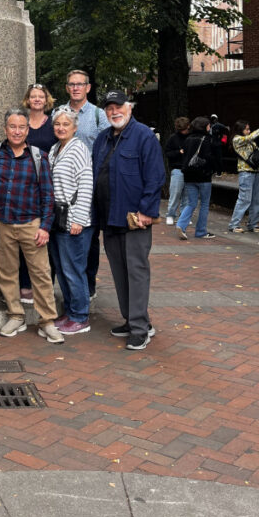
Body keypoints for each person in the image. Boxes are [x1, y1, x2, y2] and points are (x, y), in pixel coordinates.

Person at [92, 90, 165, 352]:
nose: (114, 111)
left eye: (118, 106)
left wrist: (147, 210)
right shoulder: (102, 139)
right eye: (109, 108)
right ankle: (133, 319)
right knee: (119, 272)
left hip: (135, 218)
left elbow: (155, 176)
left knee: (135, 271)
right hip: (109, 217)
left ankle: (139, 328)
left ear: (129, 108)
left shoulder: (143, 135)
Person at [0, 107, 63, 343]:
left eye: (22, 127)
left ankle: (47, 321)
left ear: (28, 129)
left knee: (40, 274)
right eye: (13, 126)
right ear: (5, 128)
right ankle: (16, 315)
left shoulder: (38, 156)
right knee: (7, 272)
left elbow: (47, 194)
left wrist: (45, 226)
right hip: (3, 224)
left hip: (32, 224)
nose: (17, 131)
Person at [47, 108, 93, 335]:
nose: (61, 127)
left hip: (74, 220)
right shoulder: (55, 149)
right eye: (57, 124)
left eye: (66, 124)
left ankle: (80, 317)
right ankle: (70, 311)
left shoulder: (79, 148)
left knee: (74, 270)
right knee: (63, 270)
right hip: (58, 220)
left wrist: (79, 219)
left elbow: (86, 184)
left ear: (75, 127)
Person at [63, 69, 107, 300]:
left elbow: (106, 150)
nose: (76, 88)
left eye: (80, 84)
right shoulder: (59, 113)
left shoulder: (99, 116)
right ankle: (70, 284)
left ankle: (88, 284)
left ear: (88, 87)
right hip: (64, 188)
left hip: (90, 188)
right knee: (64, 234)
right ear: (67, 87)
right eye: (72, 84)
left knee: (90, 240)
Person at [16, 83, 56, 304]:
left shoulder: (52, 124)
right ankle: (24, 285)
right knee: (24, 241)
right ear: (28, 100)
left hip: (46, 183)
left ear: (46, 99)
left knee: (43, 238)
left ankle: (43, 286)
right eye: (33, 96)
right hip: (24, 186)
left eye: (41, 96)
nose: (37, 99)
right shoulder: (22, 123)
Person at [175, 116, 216, 241]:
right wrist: (212, 170)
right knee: (204, 204)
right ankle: (201, 231)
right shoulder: (208, 139)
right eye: (208, 125)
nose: (210, 127)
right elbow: (210, 158)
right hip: (203, 176)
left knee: (191, 203)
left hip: (189, 176)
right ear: (205, 126)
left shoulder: (188, 139)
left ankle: (181, 224)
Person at [226, 120, 259, 234]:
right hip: (245, 173)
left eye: (249, 129)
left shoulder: (251, 142)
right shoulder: (237, 139)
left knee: (257, 199)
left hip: (255, 172)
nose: (249, 131)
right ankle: (234, 224)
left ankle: (253, 224)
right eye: (246, 129)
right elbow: (250, 137)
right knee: (244, 199)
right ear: (240, 130)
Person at [164, 116, 190, 225]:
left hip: (189, 169)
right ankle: (170, 215)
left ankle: (183, 216)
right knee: (175, 193)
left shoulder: (191, 137)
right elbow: (167, 153)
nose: (184, 132)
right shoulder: (173, 138)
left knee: (187, 196)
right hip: (177, 168)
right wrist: (178, 152)